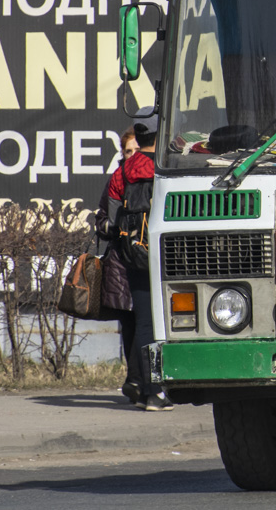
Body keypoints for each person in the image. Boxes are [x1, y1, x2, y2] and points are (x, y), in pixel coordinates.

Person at [104, 108, 171, 411]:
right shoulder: (166, 167)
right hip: (163, 253)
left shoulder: (123, 170)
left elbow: (111, 207)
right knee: (160, 324)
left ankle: (148, 391)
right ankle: (158, 390)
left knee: (144, 320)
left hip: (133, 251)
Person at [96, 127, 139, 403]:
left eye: (136, 150)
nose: (132, 156)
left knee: (149, 325)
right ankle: (134, 380)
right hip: (122, 265)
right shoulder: (117, 179)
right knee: (131, 325)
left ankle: (147, 381)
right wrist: (115, 225)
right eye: (127, 151)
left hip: (147, 261)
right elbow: (100, 220)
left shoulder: (154, 177)